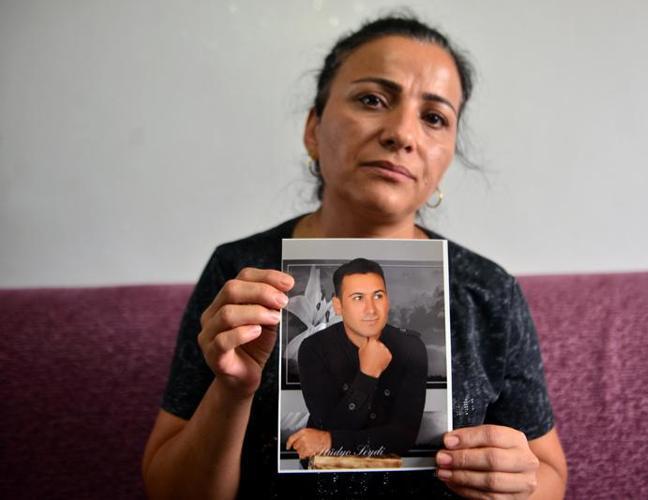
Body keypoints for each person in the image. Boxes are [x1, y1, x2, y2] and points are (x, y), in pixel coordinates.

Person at [142, 13, 567, 499]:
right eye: (372, 100)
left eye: (434, 118)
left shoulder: (486, 292)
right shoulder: (243, 275)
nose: (402, 134)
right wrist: (232, 390)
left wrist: (515, 484)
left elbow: (549, 475)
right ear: (313, 128)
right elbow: (171, 490)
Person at [288, 258, 428, 461]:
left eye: (378, 296)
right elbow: (327, 427)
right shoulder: (313, 348)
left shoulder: (411, 348)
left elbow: (403, 438)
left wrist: (331, 441)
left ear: (387, 300)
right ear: (337, 306)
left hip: (387, 469)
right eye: (358, 298)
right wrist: (368, 375)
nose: (371, 309)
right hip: (324, 470)